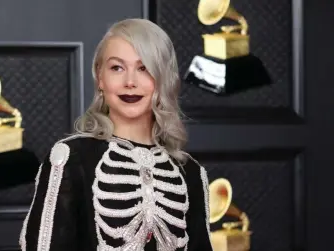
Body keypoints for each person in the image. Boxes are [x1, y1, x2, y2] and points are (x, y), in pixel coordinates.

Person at [19, 18, 213, 251]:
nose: (130, 82)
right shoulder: (71, 159)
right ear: (100, 78)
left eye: (144, 68)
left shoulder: (190, 172)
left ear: (162, 80)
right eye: (117, 68)